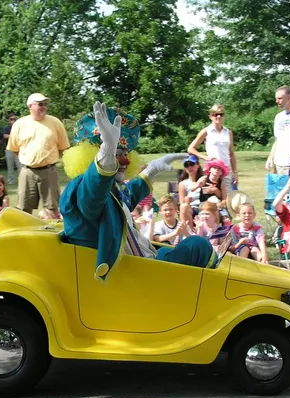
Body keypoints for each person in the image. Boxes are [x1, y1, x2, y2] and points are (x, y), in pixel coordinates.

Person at [60, 102, 219, 281]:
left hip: (144, 260)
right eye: (116, 154)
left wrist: (151, 170)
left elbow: (124, 199)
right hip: (133, 276)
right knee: (198, 245)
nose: (125, 161)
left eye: (126, 153)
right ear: (94, 157)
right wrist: (107, 151)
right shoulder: (83, 189)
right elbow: (93, 194)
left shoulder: (112, 188)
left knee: (191, 246)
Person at [7, 93, 69, 218]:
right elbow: (14, 148)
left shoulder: (55, 122)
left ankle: (52, 230)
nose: (43, 107)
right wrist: (30, 160)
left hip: (49, 171)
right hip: (27, 171)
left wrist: (47, 160)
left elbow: (63, 147)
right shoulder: (19, 124)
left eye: (45, 104)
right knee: (24, 209)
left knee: (52, 208)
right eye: (40, 104)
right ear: (30, 106)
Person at [187, 104, 238, 193]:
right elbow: (191, 148)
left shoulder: (228, 132)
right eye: (215, 114)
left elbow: (231, 153)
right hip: (213, 170)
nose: (218, 116)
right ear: (210, 116)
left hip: (226, 170)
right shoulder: (206, 131)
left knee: (228, 196)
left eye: (221, 114)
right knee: (210, 194)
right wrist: (204, 157)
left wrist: (235, 172)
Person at [178, 154, 203, 226]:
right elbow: (182, 202)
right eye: (186, 165)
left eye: (192, 164)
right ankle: (189, 231)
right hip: (191, 208)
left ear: (198, 165)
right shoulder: (183, 183)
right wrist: (186, 201)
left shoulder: (204, 179)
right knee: (183, 207)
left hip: (204, 207)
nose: (189, 167)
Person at [2, 114, 22, 185]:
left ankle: (21, 180)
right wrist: (15, 136)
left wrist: (10, 136)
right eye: (11, 119)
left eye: (14, 119)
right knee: (10, 167)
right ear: (8, 120)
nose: (13, 120)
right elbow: (5, 136)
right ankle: (10, 181)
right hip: (9, 149)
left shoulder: (20, 127)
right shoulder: (6, 128)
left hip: (19, 149)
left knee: (20, 166)